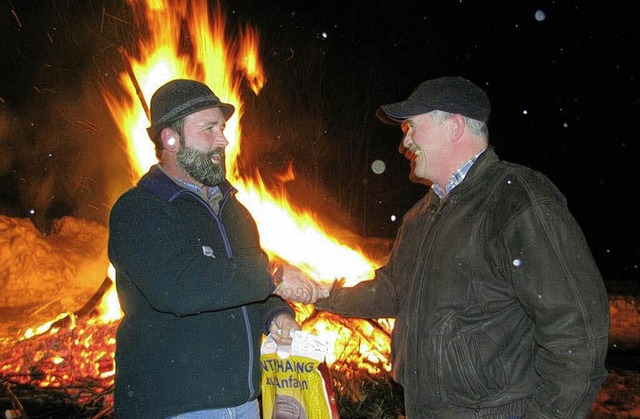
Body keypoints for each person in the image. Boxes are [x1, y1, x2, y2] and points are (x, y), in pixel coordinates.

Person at [313, 76, 610, 417]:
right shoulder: (419, 217)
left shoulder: (517, 201)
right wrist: (323, 295)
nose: (405, 142)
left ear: (454, 127)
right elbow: (393, 292)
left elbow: (576, 334)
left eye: (412, 127)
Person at [108, 78, 324, 419]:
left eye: (222, 128)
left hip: (246, 402)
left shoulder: (235, 210)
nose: (223, 139)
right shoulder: (141, 209)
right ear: (170, 138)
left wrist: (276, 315)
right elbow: (180, 286)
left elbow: (248, 284)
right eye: (208, 128)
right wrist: (276, 277)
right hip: (176, 408)